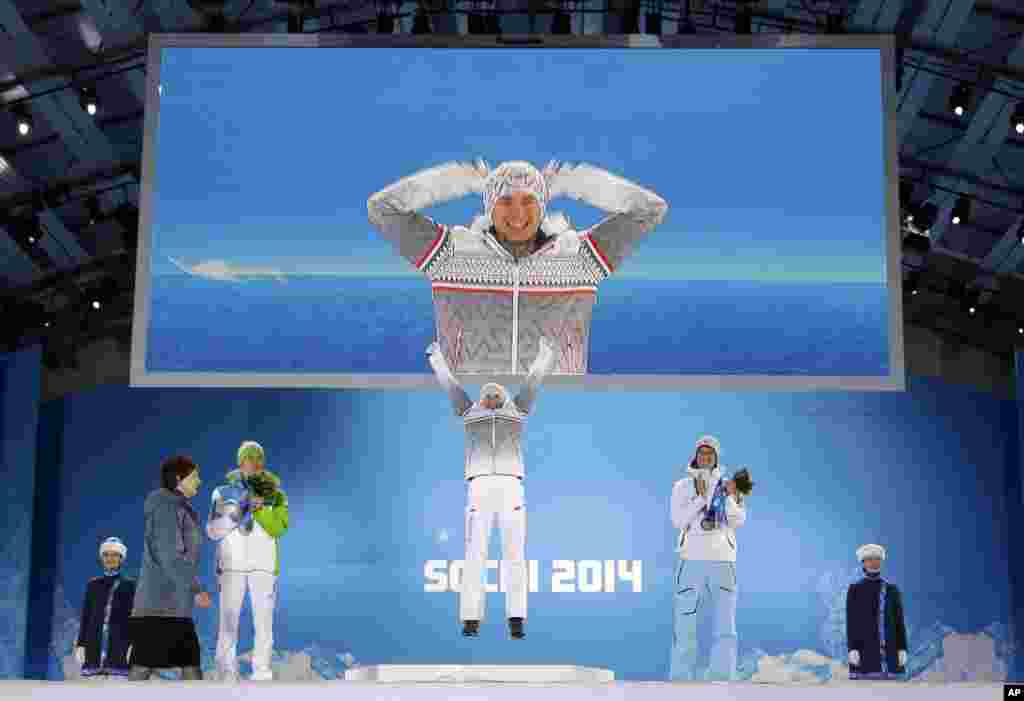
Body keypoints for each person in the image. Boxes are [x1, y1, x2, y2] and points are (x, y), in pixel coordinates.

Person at [368, 159, 668, 375]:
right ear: (488, 205)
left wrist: (577, 182)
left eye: (529, 200)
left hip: (562, 414)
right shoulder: (450, 255)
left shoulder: (580, 259)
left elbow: (649, 210)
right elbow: (382, 210)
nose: (517, 213)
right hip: (473, 408)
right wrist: (458, 180)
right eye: (505, 200)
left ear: (543, 204)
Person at [427, 336, 558, 639]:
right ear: (479, 400)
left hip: (511, 487)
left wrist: (545, 354)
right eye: (486, 395)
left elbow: (533, 381)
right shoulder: (469, 414)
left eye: (495, 395)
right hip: (479, 487)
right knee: (475, 553)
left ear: (504, 398)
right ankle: (471, 619)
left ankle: (516, 618)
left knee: (515, 554)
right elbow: (449, 383)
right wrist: (436, 357)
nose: (490, 398)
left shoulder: (517, 413)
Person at [669, 435, 751, 681]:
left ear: (716, 457)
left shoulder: (729, 484)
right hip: (691, 558)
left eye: (710, 453)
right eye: (702, 452)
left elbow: (739, 520)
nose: (705, 456)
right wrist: (701, 498)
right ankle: (681, 678)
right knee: (685, 622)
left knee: (726, 623)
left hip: (723, 559)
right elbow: (678, 520)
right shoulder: (682, 486)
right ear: (695, 456)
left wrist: (727, 496)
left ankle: (723, 676)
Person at [207, 441, 289, 682]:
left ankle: (262, 673)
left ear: (262, 462)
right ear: (239, 462)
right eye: (247, 458)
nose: (251, 463)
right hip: (232, 566)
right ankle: (226, 674)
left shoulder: (277, 494)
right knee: (228, 621)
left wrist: (261, 509)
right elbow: (213, 530)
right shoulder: (222, 492)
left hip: (263, 567)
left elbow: (279, 528)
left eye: (256, 458)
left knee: (264, 624)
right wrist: (240, 508)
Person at [128, 455, 212, 681]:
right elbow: (170, 556)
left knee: (185, 664)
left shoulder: (178, 507)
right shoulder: (165, 507)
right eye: (194, 477)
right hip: (158, 608)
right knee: (150, 666)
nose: (199, 482)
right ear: (178, 479)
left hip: (173, 606)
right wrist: (195, 589)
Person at [75, 537, 136, 679]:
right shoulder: (93, 585)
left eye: (115, 555)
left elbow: (135, 619)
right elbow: (86, 617)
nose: (110, 558)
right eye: (106, 554)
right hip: (93, 650)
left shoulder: (130, 585)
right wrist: (81, 644)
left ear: (121, 558)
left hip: (119, 650)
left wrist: (134, 645)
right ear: (102, 558)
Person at [847, 544, 908, 680]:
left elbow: (899, 622)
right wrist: (853, 648)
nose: (874, 562)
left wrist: (902, 648)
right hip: (865, 653)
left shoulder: (892, 590)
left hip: (891, 654)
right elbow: (852, 623)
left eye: (877, 559)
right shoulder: (855, 590)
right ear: (863, 562)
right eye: (870, 559)